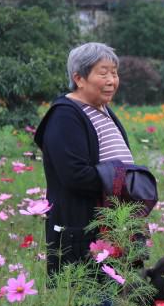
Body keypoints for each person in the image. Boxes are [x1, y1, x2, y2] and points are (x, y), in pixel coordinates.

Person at [34, 42, 133, 278]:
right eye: (103, 73)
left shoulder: (102, 109)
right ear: (79, 78)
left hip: (110, 229)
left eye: (114, 73)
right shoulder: (65, 115)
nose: (112, 80)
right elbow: (75, 175)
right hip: (81, 232)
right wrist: (125, 181)